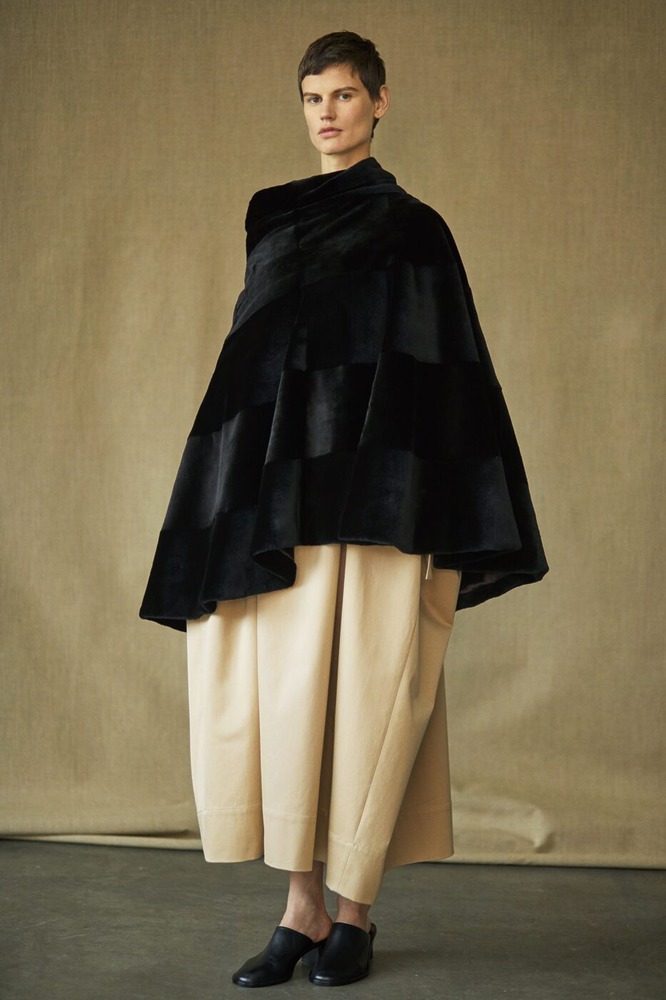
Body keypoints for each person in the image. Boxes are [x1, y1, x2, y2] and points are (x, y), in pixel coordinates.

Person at [140, 31, 548, 988]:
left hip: (376, 497)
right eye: (312, 98)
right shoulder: (271, 216)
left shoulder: (416, 229)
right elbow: (255, 360)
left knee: (368, 696)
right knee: (287, 699)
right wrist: (225, 483)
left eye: (344, 95)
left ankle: (355, 914)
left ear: (380, 102)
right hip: (279, 494)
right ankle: (302, 910)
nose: (326, 113)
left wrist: (424, 501)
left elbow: (442, 368)